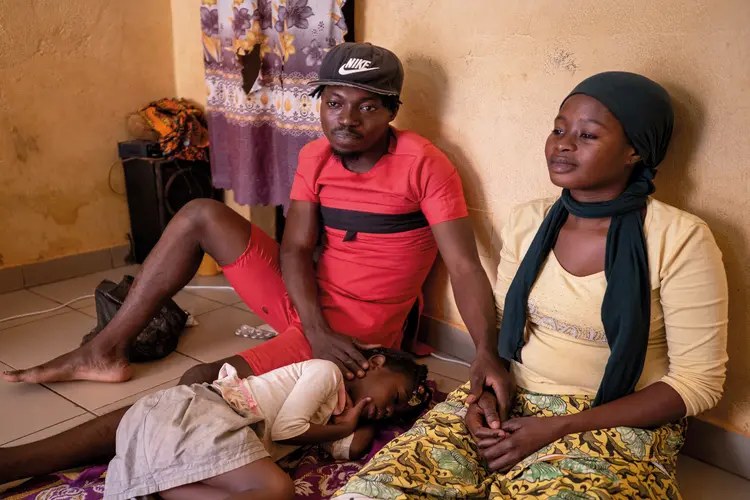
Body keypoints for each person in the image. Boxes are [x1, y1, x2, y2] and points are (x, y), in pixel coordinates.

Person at [0, 43, 510, 483]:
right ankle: (105, 352)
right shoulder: (316, 156)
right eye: (333, 103)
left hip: (358, 327)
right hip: (306, 303)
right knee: (201, 213)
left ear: (392, 110)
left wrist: (485, 350)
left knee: (200, 386)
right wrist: (311, 325)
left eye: (367, 106)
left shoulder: (425, 165)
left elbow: (464, 266)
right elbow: (293, 248)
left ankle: (14, 462)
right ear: (320, 103)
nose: (346, 119)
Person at [332, 72, 729, 499]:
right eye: (558, 128)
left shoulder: (680, 238)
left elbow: (697, 382)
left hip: (609, 419)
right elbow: (504, 326)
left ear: (636, 150)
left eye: (588, 135)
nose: (563, 143)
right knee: (375, 490)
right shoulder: (529, 220)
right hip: (513, 398)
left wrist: (557, 428)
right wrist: (485, 379)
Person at [105, 348, 429, 500]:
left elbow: (352, 449)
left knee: (259, 490)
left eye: (396, 413)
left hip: (209, 428)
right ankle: (166, 485)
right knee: (276, 489)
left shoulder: (336, 414)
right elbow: (286, 430)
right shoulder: (325, 372)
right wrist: (345, 427)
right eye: (396, 396)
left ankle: (164, 487)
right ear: (374, 363)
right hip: (202, 412)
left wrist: (363, 417)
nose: (391, 411)